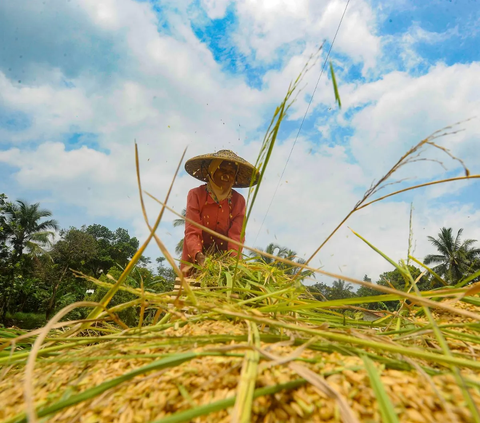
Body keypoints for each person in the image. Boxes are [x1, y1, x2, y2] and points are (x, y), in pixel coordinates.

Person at [181, 150, 258, 274]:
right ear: (212, 171)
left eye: (231, 172)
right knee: (190, 289)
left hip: (224, 261)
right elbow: (192, 229)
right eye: (222, 169)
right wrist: (199, 256)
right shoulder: (196, 195)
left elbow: (236, 236)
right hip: (195, 258)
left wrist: (233, 263)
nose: (226, 175)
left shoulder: (238, 201)